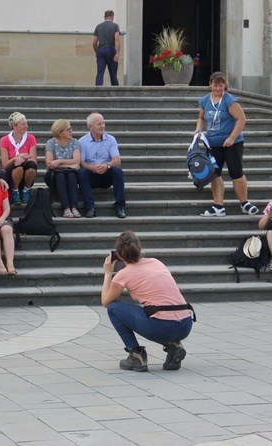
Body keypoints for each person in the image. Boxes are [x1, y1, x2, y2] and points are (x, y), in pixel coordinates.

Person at [102, 231, 194, 372]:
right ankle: (173, 346)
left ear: (119, 256)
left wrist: (108, 274)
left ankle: (136, 356)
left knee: (113, 308)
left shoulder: (123, 274)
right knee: (156, 310)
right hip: (186, 324)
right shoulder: (156, 262)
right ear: (139, 249)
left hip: (162, 327)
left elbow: (106, 302)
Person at [195, 71, 258, 217]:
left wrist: (231, 137)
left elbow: (241, 119)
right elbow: (201, 117)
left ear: (225, 86)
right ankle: (218, 205)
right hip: (213, 143)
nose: (218, 88)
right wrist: (199, 128)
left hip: (231, 143)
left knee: (236, 172)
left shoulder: (230, 101)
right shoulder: (205, 100)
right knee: (214, 174)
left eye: (221, 85)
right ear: (210, 85)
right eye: (215, 85)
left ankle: (244, 203)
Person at [78, 112, 126, 219]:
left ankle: (120, 207)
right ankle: (90, 208)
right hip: (91, 175)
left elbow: (117, 160)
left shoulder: (111, 139)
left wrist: (107, 166)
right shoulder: (82, 142)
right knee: (81, 172)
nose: (102, 126)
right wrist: (92, 168)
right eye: (99, 124)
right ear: (90, 126)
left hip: (106, 174)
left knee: (117, 171)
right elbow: (81, 162)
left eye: (103, 123)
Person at [0, 112, 38, 206]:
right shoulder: (4, 140)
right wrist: (17, 157)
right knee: (18, 166)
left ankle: (26, 190)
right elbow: (5, 165)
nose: (26, 126)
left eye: (26, 123)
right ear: (14, 126)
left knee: (32, 166)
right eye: (23, 124)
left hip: (27, 170)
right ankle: (15, 191)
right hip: (12, 173)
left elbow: (34, 161)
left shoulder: (31, 138)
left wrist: (23, 157)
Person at [45, 119, 81, 218]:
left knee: (72, 176)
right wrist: (70, 165)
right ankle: (66, 208)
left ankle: (74, 207)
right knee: (60, 176)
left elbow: (77, 161)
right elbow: (49, 164)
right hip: (54, 175)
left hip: (70, 173)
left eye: (71, 128)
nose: (71, 131)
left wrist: (58, 162)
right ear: (60, 133)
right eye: (68, 129)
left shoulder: (75, 142)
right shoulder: (51, 143)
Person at [93, 10, 121, 86]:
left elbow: (94, 42)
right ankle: (116, 92)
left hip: (101, 50)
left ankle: (98, 92)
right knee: (113, 74)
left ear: (104, 17)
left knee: (100, 72)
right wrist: (117, 53)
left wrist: (97, 52)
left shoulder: (98, 27)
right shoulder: (115, 26)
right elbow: (117, 39)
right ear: (112, 17)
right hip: (110, 49)